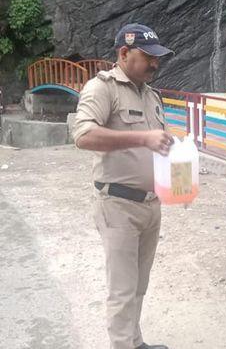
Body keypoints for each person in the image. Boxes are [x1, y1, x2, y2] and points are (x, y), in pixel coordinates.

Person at [73, 23, 174, 349]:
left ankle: (135, 342)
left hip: (151, 205)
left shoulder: (151, 94)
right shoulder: (102, 88)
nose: (155, 64)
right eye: (148, 58)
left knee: (139, 286)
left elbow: (155, 148)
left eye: (157, 58)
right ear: (124, 53)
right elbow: (84, 135)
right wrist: (143, 137)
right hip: (118, 206)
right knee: (121, 291)